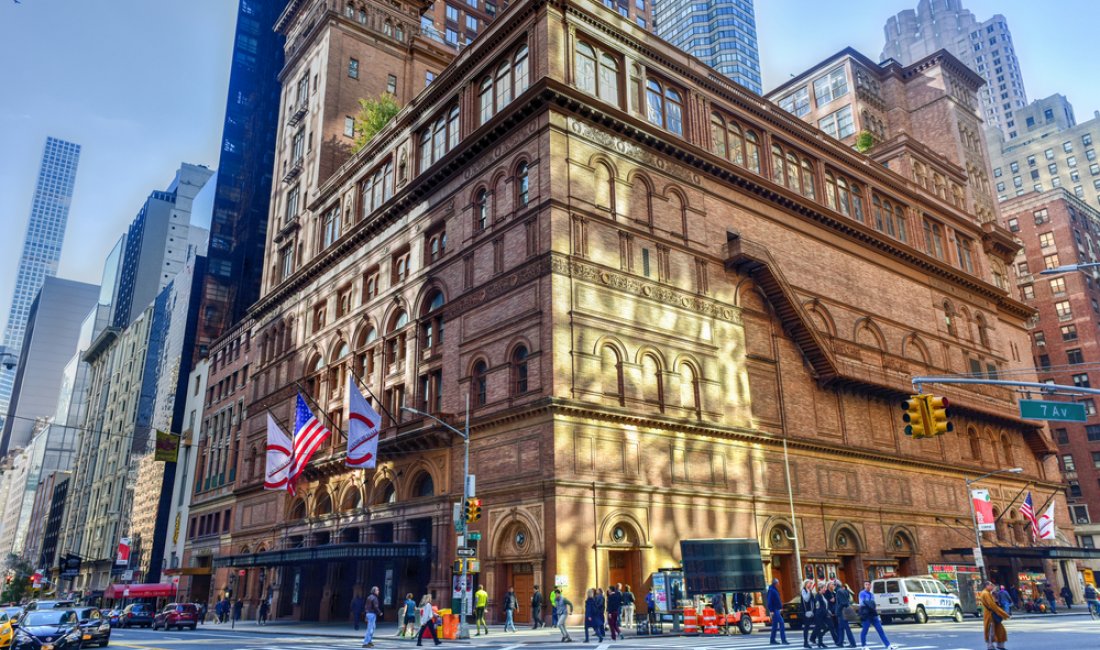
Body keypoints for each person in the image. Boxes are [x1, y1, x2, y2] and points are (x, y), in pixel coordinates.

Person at [857, 581, 894, 650]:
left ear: (870, 586)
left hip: (873, 614)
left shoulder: (871, 594)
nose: (867, 586)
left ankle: (888, 645)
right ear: (864, 586)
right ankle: (863, 645)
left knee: (880, 630)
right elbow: (862, 603)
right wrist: (869, 603)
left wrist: (869, 603)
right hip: (866, 614)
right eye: (866, 584)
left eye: (868, 585)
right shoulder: (862, 593)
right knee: (865, 630)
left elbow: (873, 604)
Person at [978, 582, 1008, 650]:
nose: (992, 587)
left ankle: (1000, 645)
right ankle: (990, 646)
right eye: (991, 585)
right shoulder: (985, 593)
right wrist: (1003, 613)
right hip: (990, 615)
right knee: (991, 631)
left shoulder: (988, 593)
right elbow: (992, 606)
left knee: (1000, 630)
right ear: (987, 586)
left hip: (992, 614)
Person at [766, 578, 788, 646]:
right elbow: (769, 601)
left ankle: (772, 640)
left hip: (776, 609)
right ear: (775, 583)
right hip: (775, 610)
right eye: (778, 583)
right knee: (781, 623)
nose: (779, 584)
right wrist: (771, 610)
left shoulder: (774, 589)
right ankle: (783, 640)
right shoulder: (771, 590)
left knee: (775, 626)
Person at [833, 580, 855, 647]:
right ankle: (840, 642)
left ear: (836, 585)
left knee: (846, 628)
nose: (833, 586)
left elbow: (843, 603)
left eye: (834, 585)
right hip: (843, 612)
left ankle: (853, 643)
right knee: (841, 628)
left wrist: (837, 610)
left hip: (842, 612)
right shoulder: (843, 590)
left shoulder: (839, 591)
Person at [800, 580, 815, 649]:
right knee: (806, 627)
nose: (811, 584)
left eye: (811, 583)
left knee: (818, 624)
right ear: (806, 584)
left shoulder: (810, 591)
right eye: (810, 583)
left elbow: (812, 600)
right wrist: (809, 591)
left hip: (811, 611)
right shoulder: (804, 591)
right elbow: (806, 599)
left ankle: (812, 638)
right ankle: (805, 642)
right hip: (806, 612)